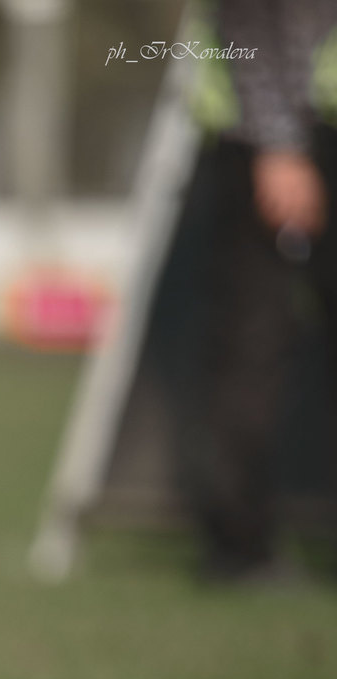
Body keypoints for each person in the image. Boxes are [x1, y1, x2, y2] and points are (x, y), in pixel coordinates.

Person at [188, 0, 337, 583]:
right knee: (253, 346)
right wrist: (278, 143)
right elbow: (248, 18)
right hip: (276, 139)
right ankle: (240, 550)